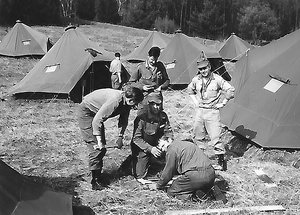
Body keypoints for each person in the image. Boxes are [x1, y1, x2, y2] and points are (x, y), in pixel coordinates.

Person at [77, 86, 144, 190]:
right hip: (87, 112)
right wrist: (99, 141)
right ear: (130, 100)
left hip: (96, 114)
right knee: (97, 149)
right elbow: (96, 121)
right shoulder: (115, 101)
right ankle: (95, 181)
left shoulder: (126, 103)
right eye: (135, 103)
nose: (136, 106)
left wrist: (120, 137)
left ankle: (98, 175)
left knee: (101, 149)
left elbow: (123, 119)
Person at [187, 58, 234, 171]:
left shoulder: (217, 79)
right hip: (200, 111)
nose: (203, 71)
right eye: (200, 69)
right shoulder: (196, 80)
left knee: (215, 137)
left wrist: (223, 103)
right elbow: (190, 90)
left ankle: (221, 162)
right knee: (198, 136)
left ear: (209, 67)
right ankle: (199, 160)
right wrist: (196, 102)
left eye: (205, 68)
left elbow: (230, 90)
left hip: (212, 112)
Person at [131, 92, 173, 179]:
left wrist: (167, 141)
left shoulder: (163, 116)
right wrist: (150, 149)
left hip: (158, 145)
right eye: (153, 104)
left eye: (158, 104)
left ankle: (155, 161)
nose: (155, 107)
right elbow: (136, 139)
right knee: (140, 175)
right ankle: (132, 161)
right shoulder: (141, 118)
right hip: (143, 147)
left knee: (169, 164)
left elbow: (168, 131)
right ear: (149, 104)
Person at [128, 46, 170, 114]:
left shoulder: (160, 66)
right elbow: (131, 83)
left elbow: (167, 80)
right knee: (143, 118)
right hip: (144, 98)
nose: (153, 62)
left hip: (157, 98)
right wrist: (142, 87)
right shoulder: (141, 67)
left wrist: (161, 87)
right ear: (148, 56)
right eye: (151, 59)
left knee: (156, 119)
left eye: (155, 59)